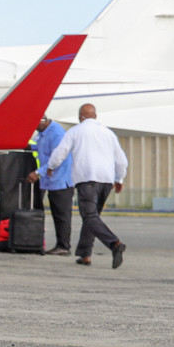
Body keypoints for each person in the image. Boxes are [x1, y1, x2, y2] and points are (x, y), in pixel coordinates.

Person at [45, 104, 129, 267]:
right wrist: (119, 179)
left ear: (80, 117)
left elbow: (61, 151)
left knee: (90, 217)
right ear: (95, 116)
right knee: (92, 217)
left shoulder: (75, 131)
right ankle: (85, 255)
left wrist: (51, 166)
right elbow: (121, 160)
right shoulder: (108, 133)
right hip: (106, 181)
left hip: (87, 179)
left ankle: (115, 244)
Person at [28, 116, 74, 255]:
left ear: (43, 120)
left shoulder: (56, 133)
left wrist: (38, 173)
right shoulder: (42, 133)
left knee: (62, 215)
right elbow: (39, 148)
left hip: (61, 180)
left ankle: (64, 246)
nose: (34, 128)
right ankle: (60, 244)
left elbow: (58, 158)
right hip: (51, 181)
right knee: (56, 213)